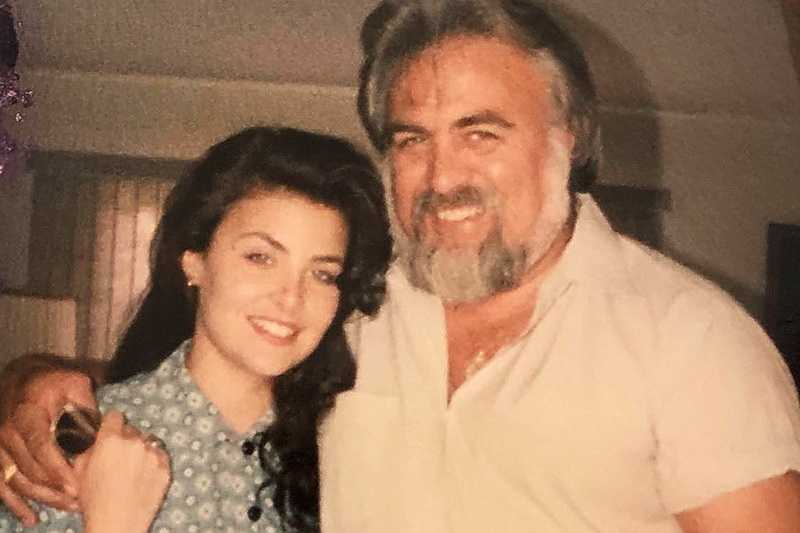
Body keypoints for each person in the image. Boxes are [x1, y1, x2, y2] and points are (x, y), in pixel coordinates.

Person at [2, 1, 800, 532]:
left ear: (569, 138)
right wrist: (32, 383)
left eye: (481, 132)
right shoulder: (360, 303)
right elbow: (214, 360)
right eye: (412, 139)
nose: (442, 176)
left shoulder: (690, 340)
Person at [0, 126, 391, 532]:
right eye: (260, 257)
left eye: (323, 274)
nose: (292, 298)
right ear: (194, 261)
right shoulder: (77, 444)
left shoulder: (348, 452)